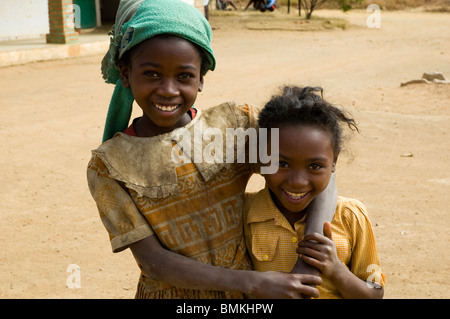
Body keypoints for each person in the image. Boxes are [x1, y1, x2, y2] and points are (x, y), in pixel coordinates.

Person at [87, 0, 335, 299]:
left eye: (184, 76)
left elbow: (319, 175)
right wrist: (251, 283)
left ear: (201, 78)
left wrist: (311, 253)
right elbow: (154, 262)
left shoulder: (234, 127)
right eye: (152, 74)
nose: (168, 89)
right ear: (125, 74)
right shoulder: (110, 165)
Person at [244, 86, 386, 298]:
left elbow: (375, 293)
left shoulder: (351, 215)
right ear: (262, 158)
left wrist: (335, 269)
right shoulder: (244, 212)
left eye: (314, 166)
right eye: (281, 163)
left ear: (334, 161)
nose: (298, 182)